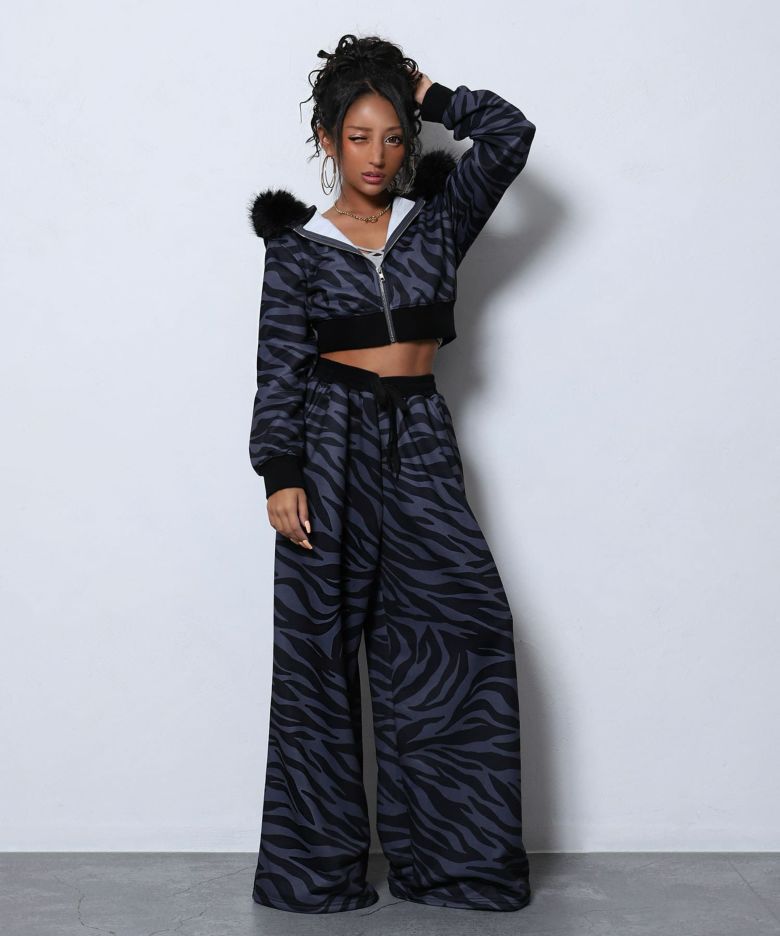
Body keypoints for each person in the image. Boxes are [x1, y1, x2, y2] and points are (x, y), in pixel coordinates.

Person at [247, 32, 537, 914]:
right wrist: (280, 473)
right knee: (319, 656)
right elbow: (278, 368)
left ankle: (454, 863)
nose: (377, 155)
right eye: (358, 136)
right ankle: (314, 872)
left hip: (419, 439)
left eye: (393, 135)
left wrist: (429, 92)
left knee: (459, 634)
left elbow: (512, 135)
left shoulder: (438, 220)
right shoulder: (297, 248)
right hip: (326, 446)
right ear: (328, 139)